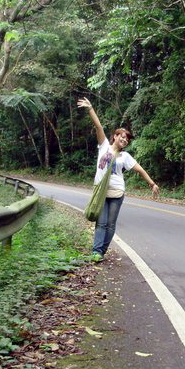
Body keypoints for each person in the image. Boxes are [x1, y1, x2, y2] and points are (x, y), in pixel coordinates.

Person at [77, 97, 159, 260]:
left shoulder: (125, 156)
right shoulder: (104, 146)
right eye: (121, 136)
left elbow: (140, 170)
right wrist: (90, 108)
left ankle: (101, 251)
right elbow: (98, 126)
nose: (124, 140)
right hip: (101, 192)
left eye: (126, 139)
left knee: (110, 225)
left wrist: (152, 184)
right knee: (101, 223)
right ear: (114, 136)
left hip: (117, 193)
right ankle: (96, 252)